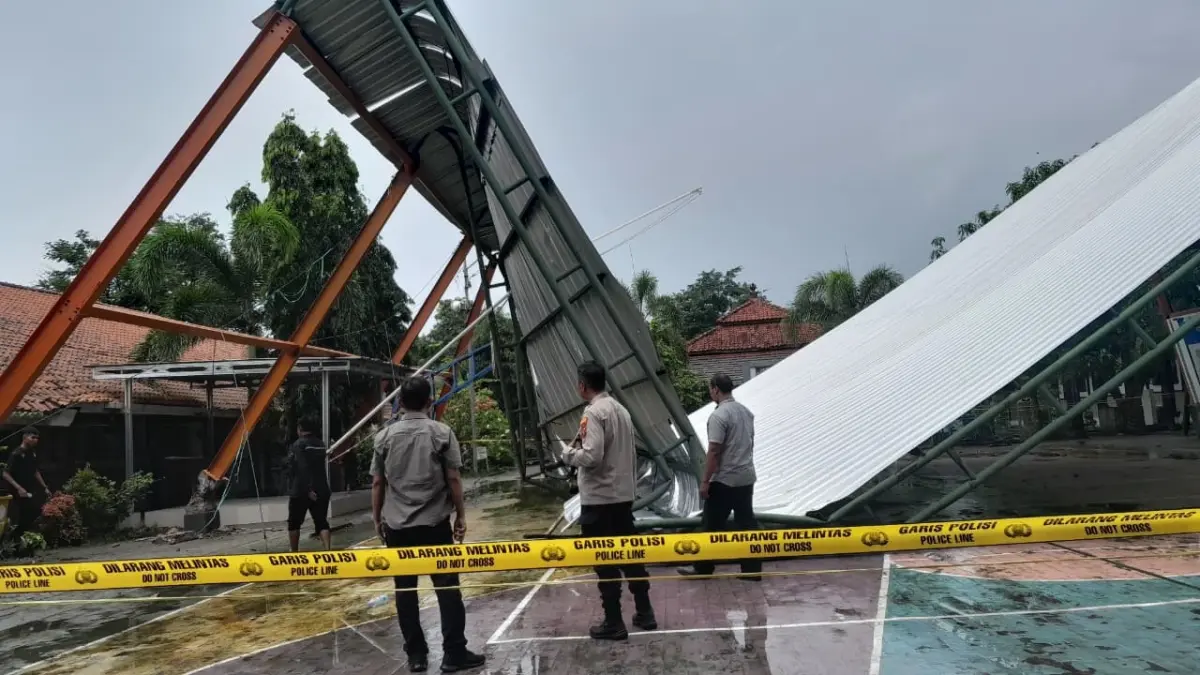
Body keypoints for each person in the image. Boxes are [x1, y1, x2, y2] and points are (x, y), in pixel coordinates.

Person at [372, 375, 485, 673]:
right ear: (429, 401)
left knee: (405, 592)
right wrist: (460, 515)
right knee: (447, 590)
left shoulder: (384, 438)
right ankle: (453, 654)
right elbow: (454, 479)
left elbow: (377, 483)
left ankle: (417, 656)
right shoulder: (442, 433)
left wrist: (377, 519)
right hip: (435, 526)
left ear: (399, 403)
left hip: (397, 527)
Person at [562, 361, 657, 641]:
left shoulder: (593, 413)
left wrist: (568, 455)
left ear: (582, 385)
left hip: (600, 498)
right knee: (630, 554)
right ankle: (645, 611)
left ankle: (613, 621)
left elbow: (591, 457)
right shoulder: (621, 410)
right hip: (622, 496)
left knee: (605, 560)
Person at [679, 373, 762, 581]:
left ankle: (703, 568)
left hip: (725, 479)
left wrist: (706, 480)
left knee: (711, 526)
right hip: (745, 476)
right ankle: (752, 570)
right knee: (746, 523)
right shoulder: (746, 412)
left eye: (711, 389)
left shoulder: (719, 416)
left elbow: (714, 450)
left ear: (715, 389)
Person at [285, 417, 332, 552]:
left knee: (294, 523)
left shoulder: (298, 445)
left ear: (300, 429)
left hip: (302, 490)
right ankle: (328, 551)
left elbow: (302, 468)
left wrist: (308, 489)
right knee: (321, 521)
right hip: (322, 489)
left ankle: (294, 552)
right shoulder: (321, 444)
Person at [2, 428, 50, 550]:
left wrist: (44, 487)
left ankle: (17, 540)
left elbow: (35, 471)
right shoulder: (16, 454)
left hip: (29, 490)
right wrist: (19, 488)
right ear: (25, 438)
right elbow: (5, 474)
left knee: (32, 513)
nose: (36, 440)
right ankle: (12, 540)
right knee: (22, 514)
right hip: (16, 491)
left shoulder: (32, 453)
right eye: (33, 437)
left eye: (37, 438)